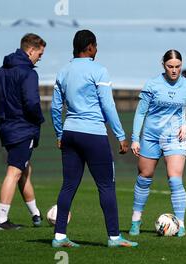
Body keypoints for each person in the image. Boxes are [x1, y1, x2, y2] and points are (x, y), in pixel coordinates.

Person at [51, 30, 137, 248]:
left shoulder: (63, 71)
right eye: (95, 46)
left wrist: (60, 133)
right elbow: (108, 105)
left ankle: (59, 236)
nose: (97, 50)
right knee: (106, 186)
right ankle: (114, 237)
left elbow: (54, 107)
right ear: (89, 47)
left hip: (70, 133)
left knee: (68, 185)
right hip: (93, 134)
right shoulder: (99, 70)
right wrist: (120, 135)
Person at [128, 49, 186, 237]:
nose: (174, 70)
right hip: (150, 136)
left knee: (175, 179)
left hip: (174, 138)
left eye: (177, 66)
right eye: (170, 66)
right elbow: (141, 112)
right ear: (163, 65)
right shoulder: (152, 84)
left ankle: (181, 224)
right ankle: (136, 219)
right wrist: (135, 138)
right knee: (145, 177)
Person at [0, 33, 46, 230]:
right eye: (40, 53)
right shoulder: (29, 73)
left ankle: (36, 214)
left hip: (7, 128)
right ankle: (1, 220)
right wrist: (38, 119)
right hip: (22, 129)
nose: (40, 57)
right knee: (14, 171)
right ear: (30, 50)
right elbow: (32, 102)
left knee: (24, 170)